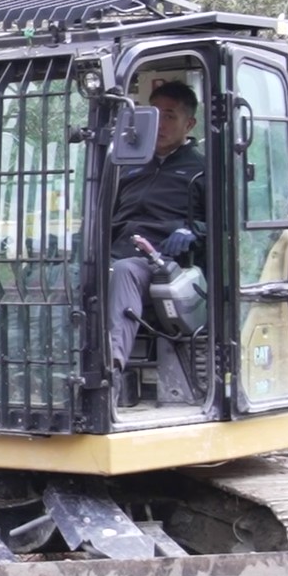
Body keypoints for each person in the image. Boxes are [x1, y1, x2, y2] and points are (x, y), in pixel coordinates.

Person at [108, 80, 206, 387]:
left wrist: (193, 231)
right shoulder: (130, 166)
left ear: (189, 123)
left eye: (170, 116)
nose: (160, 124)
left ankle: (108, 372)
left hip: (161, 262)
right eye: (154, 115)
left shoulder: (203, 169)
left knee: (124, 272)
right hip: (117, 250)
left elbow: (226, 223)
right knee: (65, 272)